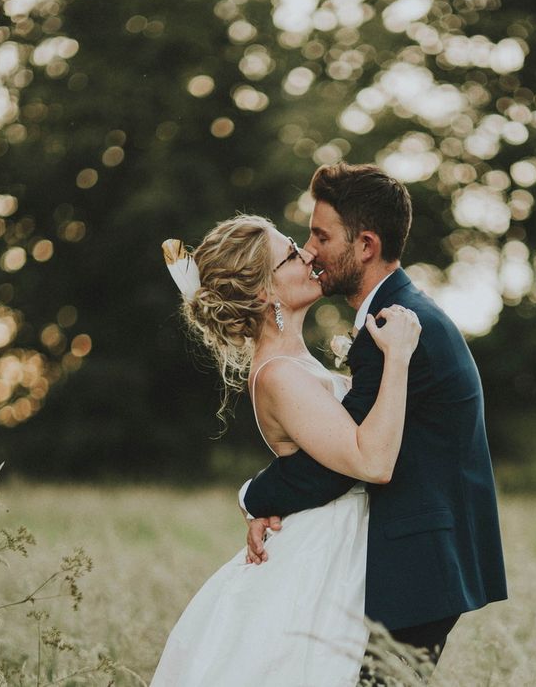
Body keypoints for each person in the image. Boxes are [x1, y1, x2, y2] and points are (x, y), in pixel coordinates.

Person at [241, 163, 507, 672]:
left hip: (419, 564)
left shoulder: (395, 329)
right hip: (419, 557)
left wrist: (254, 497)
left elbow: (341, 463)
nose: (309, 249)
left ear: (365, 245)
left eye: (321, 235)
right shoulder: (398, 317)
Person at [152, 215, 421, 686]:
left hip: (343, 540)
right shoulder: (277, 374)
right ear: (263, 293)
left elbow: (315, 460)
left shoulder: (296, 362)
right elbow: (372, 462)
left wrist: (257, 496)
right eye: (291, 253)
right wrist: (397, 358)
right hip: (320, 555)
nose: (309, 255)